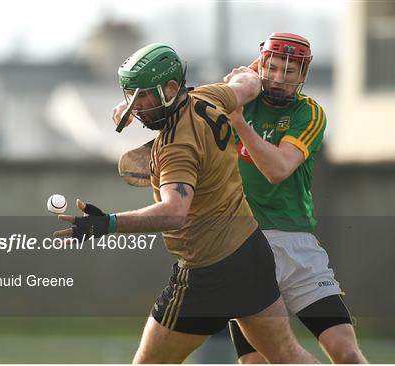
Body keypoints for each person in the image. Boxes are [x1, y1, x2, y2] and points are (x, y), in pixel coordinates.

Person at [57, 43, 318, 364]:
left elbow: (174, 212)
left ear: (169, 89)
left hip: (208, 272)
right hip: (251, 252)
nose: (133, 106)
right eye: (130, 96)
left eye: (141, 97)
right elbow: (249, 84)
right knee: (287, 356)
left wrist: (109, 223)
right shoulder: (210, 97)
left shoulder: (175, 148)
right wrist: (254, 69)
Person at [225, 32, 368, 364]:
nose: (278, 79)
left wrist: (240, 124)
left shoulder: (310, 113)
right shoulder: (237, 100)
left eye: (289, 71)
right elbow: (187, 111)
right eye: (271, 68)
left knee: (346, 351)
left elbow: (278, 168)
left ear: (303, 74)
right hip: (242, 246)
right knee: (256, 362)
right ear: (259, 66)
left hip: (296, 247)